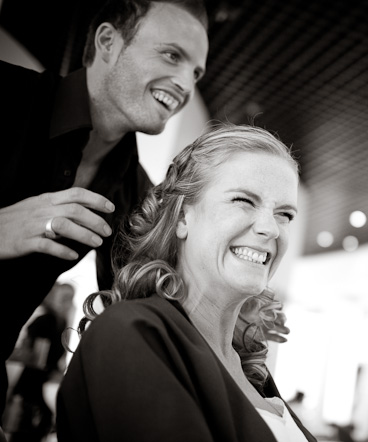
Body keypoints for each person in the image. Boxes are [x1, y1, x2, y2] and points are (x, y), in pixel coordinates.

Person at [0, 0, 209, 426]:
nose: (185, 83)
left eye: (196, 72)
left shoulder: (139, 194)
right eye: (172, 55)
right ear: (109, 42)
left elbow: (151, 304)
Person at [56, 124, 316, 442]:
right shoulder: (133, 332)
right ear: (181, 217)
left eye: (285, 214)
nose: (271, 229)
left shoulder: (254, 374)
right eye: (244, 201)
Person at [3, 283, 75, 442]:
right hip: (43, 383)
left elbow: (37, 357)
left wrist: (12, 353)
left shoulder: (45, 320)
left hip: (30, 384)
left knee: (19, 431)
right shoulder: (61, 322)